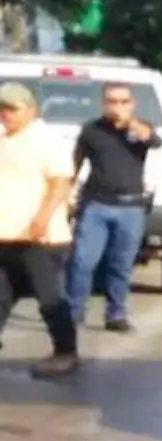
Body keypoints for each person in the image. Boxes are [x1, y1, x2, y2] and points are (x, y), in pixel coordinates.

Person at [67, 82, 162, 332]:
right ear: (103, 104)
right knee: (82, 261)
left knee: (120, 264)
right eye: (112, 101)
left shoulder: (139, 129)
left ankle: (116, 314)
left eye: (123, 101)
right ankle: (74, 313)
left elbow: (154, 141)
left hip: (130, 207)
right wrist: (66, 196)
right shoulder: (91, 130)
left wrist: (128, 122)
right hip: (96, 205)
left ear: (131, 104)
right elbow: (74, 165)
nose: (117, 106)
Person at [0, 82, 80, 377]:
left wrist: (42, 219)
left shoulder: (46, 139)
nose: (5, 114)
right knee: (1, 295)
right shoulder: (4, 139)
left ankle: (65, 352)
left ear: (31, 110)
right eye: (2, 108)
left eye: (12, 108)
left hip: (40, 238)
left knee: (49, 298)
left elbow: (61, 183)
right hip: (7, 236)